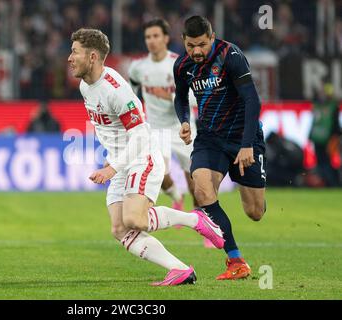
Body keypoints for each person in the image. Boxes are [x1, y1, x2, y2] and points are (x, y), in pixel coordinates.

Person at [68, 28, 224, 286]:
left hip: (142, 156)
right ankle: (180, 269)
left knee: (134, 219)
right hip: (121, 161)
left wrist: (112, 167)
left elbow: (139, 134)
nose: (70, 58)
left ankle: (195, 218)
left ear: (93, 57)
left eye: (75, 52)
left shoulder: (116, 90)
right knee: (119, 229)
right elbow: (109, 128)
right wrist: (112, 159)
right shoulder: (86, 85)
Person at [174, 16, 267, 280]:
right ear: (184, 41)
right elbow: (180, 97)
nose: (197, 51)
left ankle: (252, 185)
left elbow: (252, 100)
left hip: (242, 138)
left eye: (202, 44)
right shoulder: (182, 66)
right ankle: (236, 260)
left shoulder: (230, 56)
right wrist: (184, 121)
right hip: (209, 139)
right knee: (202, 190)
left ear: (212, 38)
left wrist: (248, 144)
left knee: (255, 212)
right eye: (191, 45)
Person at [128, 18, 197, 212]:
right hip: (157, 129)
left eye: (156, 36)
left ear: (166, 38)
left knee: (195, 183)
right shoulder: (138, 68)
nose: (151, 40)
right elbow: (131, 95)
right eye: (148, 37)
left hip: (183, 127)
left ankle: (203, 223)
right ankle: (176, 195)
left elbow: (195, 98)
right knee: (158, 175)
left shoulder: (180, 64)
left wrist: (169, 95)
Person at [309, 83, 341, 187]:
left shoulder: (319, 106)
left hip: (322, 138)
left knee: (325, 162)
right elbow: (335, 125)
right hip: (327, 138)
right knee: (327, 162)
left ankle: (331, 182)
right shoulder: (332, 106)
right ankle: (330, 182)